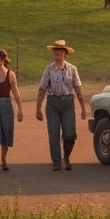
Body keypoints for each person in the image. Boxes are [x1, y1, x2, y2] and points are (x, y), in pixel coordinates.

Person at [34, 39, 88, 171]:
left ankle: (67, 157)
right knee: (53, 134)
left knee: (70, 134)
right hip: (52, 103)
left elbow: (78, 90)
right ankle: (56, 162)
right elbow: (42, 89)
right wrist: (38, 109)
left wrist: (83, 109)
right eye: (56, 54)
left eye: (60, 54)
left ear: (65, 55)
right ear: (54, 54)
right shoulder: (49, 70)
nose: (58, 57)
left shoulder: (72, 69)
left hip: (67, 102)